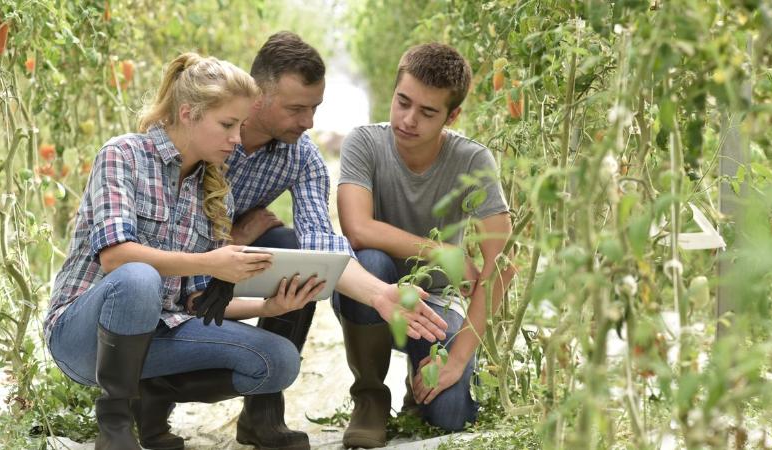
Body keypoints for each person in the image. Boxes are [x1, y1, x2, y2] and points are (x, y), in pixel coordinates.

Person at [43, 53, 325, 450]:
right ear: (189, 113)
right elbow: (115, 257)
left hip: (157, 337)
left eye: (240, 126)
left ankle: (152, 394)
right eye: (227, 125)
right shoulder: (123, 155)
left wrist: (269, 308)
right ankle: (116, 425)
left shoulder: (214, 194)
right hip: (84, 339)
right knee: (139, 276)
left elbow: (194, 303)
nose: (237, 139)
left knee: (278, 360)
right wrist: (213, 262)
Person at [193, 31, 450, 450]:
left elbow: (322, 245)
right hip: (181, 259)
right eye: (297, 108)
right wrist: (232, 237)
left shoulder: (302, 156)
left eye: (314, 108)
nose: (308, 122)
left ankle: (262, 414)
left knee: (297, 253)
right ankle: (141, 400)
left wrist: (381, 293)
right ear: (257, 96)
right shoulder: (207, 129)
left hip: (230, 264)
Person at [333, 43, 517, 448]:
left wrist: (459, 357)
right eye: (403, 102)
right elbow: (357, 228)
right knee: (371, 259)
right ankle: (369, 397)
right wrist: (443, 253)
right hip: (373, 296)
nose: (408, 120)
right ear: (394, 92)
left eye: (427, 112)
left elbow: (501, 263)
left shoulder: (472, 160)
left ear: (452, 116)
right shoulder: (365, 143)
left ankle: (417, 391)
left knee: (450, 416)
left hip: (434, 302)